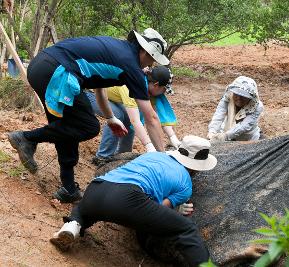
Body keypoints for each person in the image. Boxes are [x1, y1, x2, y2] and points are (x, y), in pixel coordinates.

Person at [7, 28, 169, 203]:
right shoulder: (131, 65)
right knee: (88, 126)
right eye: (151, 59)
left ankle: (68, 189)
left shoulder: (118, 50)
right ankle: (27, 138)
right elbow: (151, 118)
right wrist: (163, 160)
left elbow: (100, 88)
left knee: (66, 128)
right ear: (144, 50)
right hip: (59, 72)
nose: (150, 65)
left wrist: (110, 118)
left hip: (43, 66)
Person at [49, 135, 217, 267]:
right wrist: (175, 211)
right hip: (128, 198)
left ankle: (72, 226)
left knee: (84, 209)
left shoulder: (155, 156)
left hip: (97, 188)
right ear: (197, 167)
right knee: (186, 229)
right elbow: (157, 209)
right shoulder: (186, 184)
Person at [86, 65, 181, 165]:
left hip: (111, 97)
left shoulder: (148, 86)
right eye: (164, 89)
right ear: (156, 85)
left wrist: (173, 138)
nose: (164, 93)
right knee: (117, 116)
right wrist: (149, 146)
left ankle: (123, 155)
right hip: (91, 93)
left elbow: (155, 117)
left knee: (127, 116)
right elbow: (135, 121)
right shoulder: (132, 86)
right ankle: (102, 157)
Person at [207, 76, 264, 141]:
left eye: (243, 96)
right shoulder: (228, 97)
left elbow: (244, 126)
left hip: (248, 137)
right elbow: (219, 114)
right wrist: (212, 131)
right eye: (236, 94)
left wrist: (226, 136)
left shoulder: (257, 106)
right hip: (227, 129)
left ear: (250, 97)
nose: (239, 98)